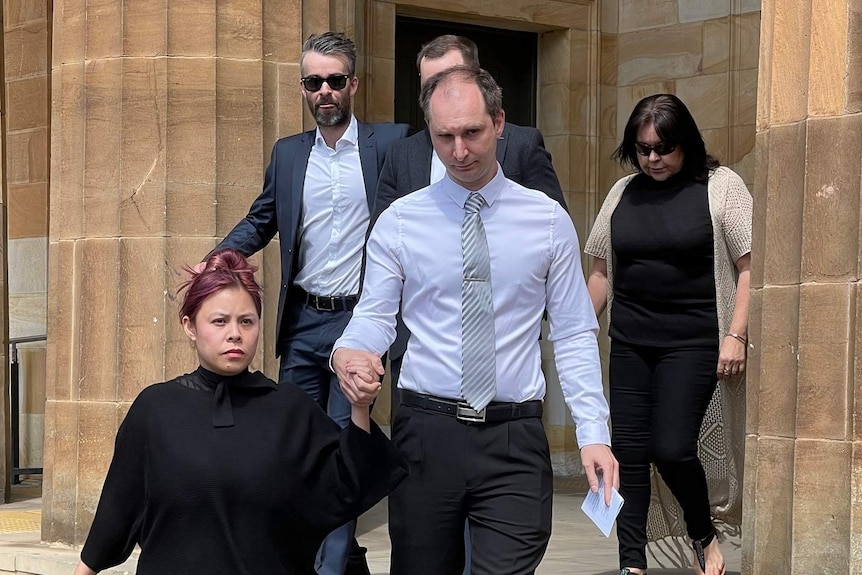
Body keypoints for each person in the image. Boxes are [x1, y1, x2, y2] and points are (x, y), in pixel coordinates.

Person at [333, 66, 618, 575]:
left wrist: (593, 431)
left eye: (472, 133)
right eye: (445, 136)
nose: (459, 151)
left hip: (514, 438)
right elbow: (374, 317)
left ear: (500, 123)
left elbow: (574, 331)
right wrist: (351, 352)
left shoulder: (547, 220)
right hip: (426, 435)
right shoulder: (401, 220)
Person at [74, 249, 407, 575]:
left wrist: (360, 406)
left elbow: (348, 485)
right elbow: (118, 509)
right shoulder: (155, 409)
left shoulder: (289, 408)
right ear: (189, 326)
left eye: (246, 321)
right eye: (219, 321)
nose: (235, 333)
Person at [209, 32, 408, 574]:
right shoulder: (289, 154)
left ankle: (331, 566)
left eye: (335, 80)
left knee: (345, 446)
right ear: (303, 89)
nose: (325, 91)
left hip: (359, 322)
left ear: (354, 84)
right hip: (301, 322)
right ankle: (312, 558)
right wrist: (218, 259)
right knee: (294, 446)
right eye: (313, 82)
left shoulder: (390, 145)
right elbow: (261, 218)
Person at [584, 93, 751, 575]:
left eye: (663, 148)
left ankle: (702, 532)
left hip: (693, 342)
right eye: (643, 149)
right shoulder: (621, 192)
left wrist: (735, 335)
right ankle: (631, 563)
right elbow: (601, 273)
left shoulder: (722, 188)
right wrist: (574, 325)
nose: (653, 158)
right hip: (631, 341)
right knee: (629, 457)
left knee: (672, 447)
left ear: (686, 143)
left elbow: (750, 267)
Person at [373, 34, 567, 415]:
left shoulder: (522, 146)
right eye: (431, 86)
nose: (458, 151)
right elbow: (379, 246)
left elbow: (551, 246)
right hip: (417, 357)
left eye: (452, 78)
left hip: (502, 360)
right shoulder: (402, 154)